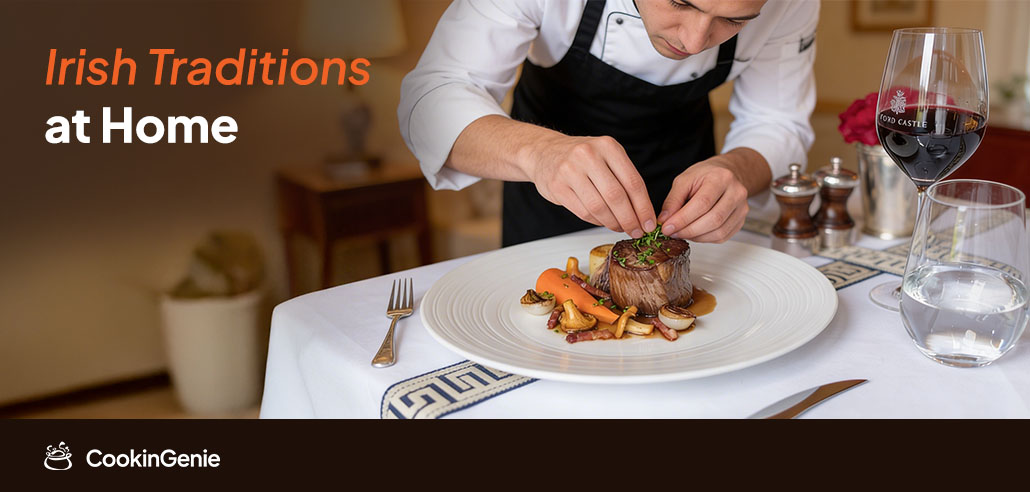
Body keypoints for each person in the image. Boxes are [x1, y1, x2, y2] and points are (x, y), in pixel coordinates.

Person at [399, 0, 817, 246]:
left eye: (734, 20)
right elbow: (432, 100)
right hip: (547, 207)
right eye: (680, 1)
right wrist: (540, 153)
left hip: (688, 205)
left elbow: (778, 121)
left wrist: (734, 170)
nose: (692, 42)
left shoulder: (792, 3)